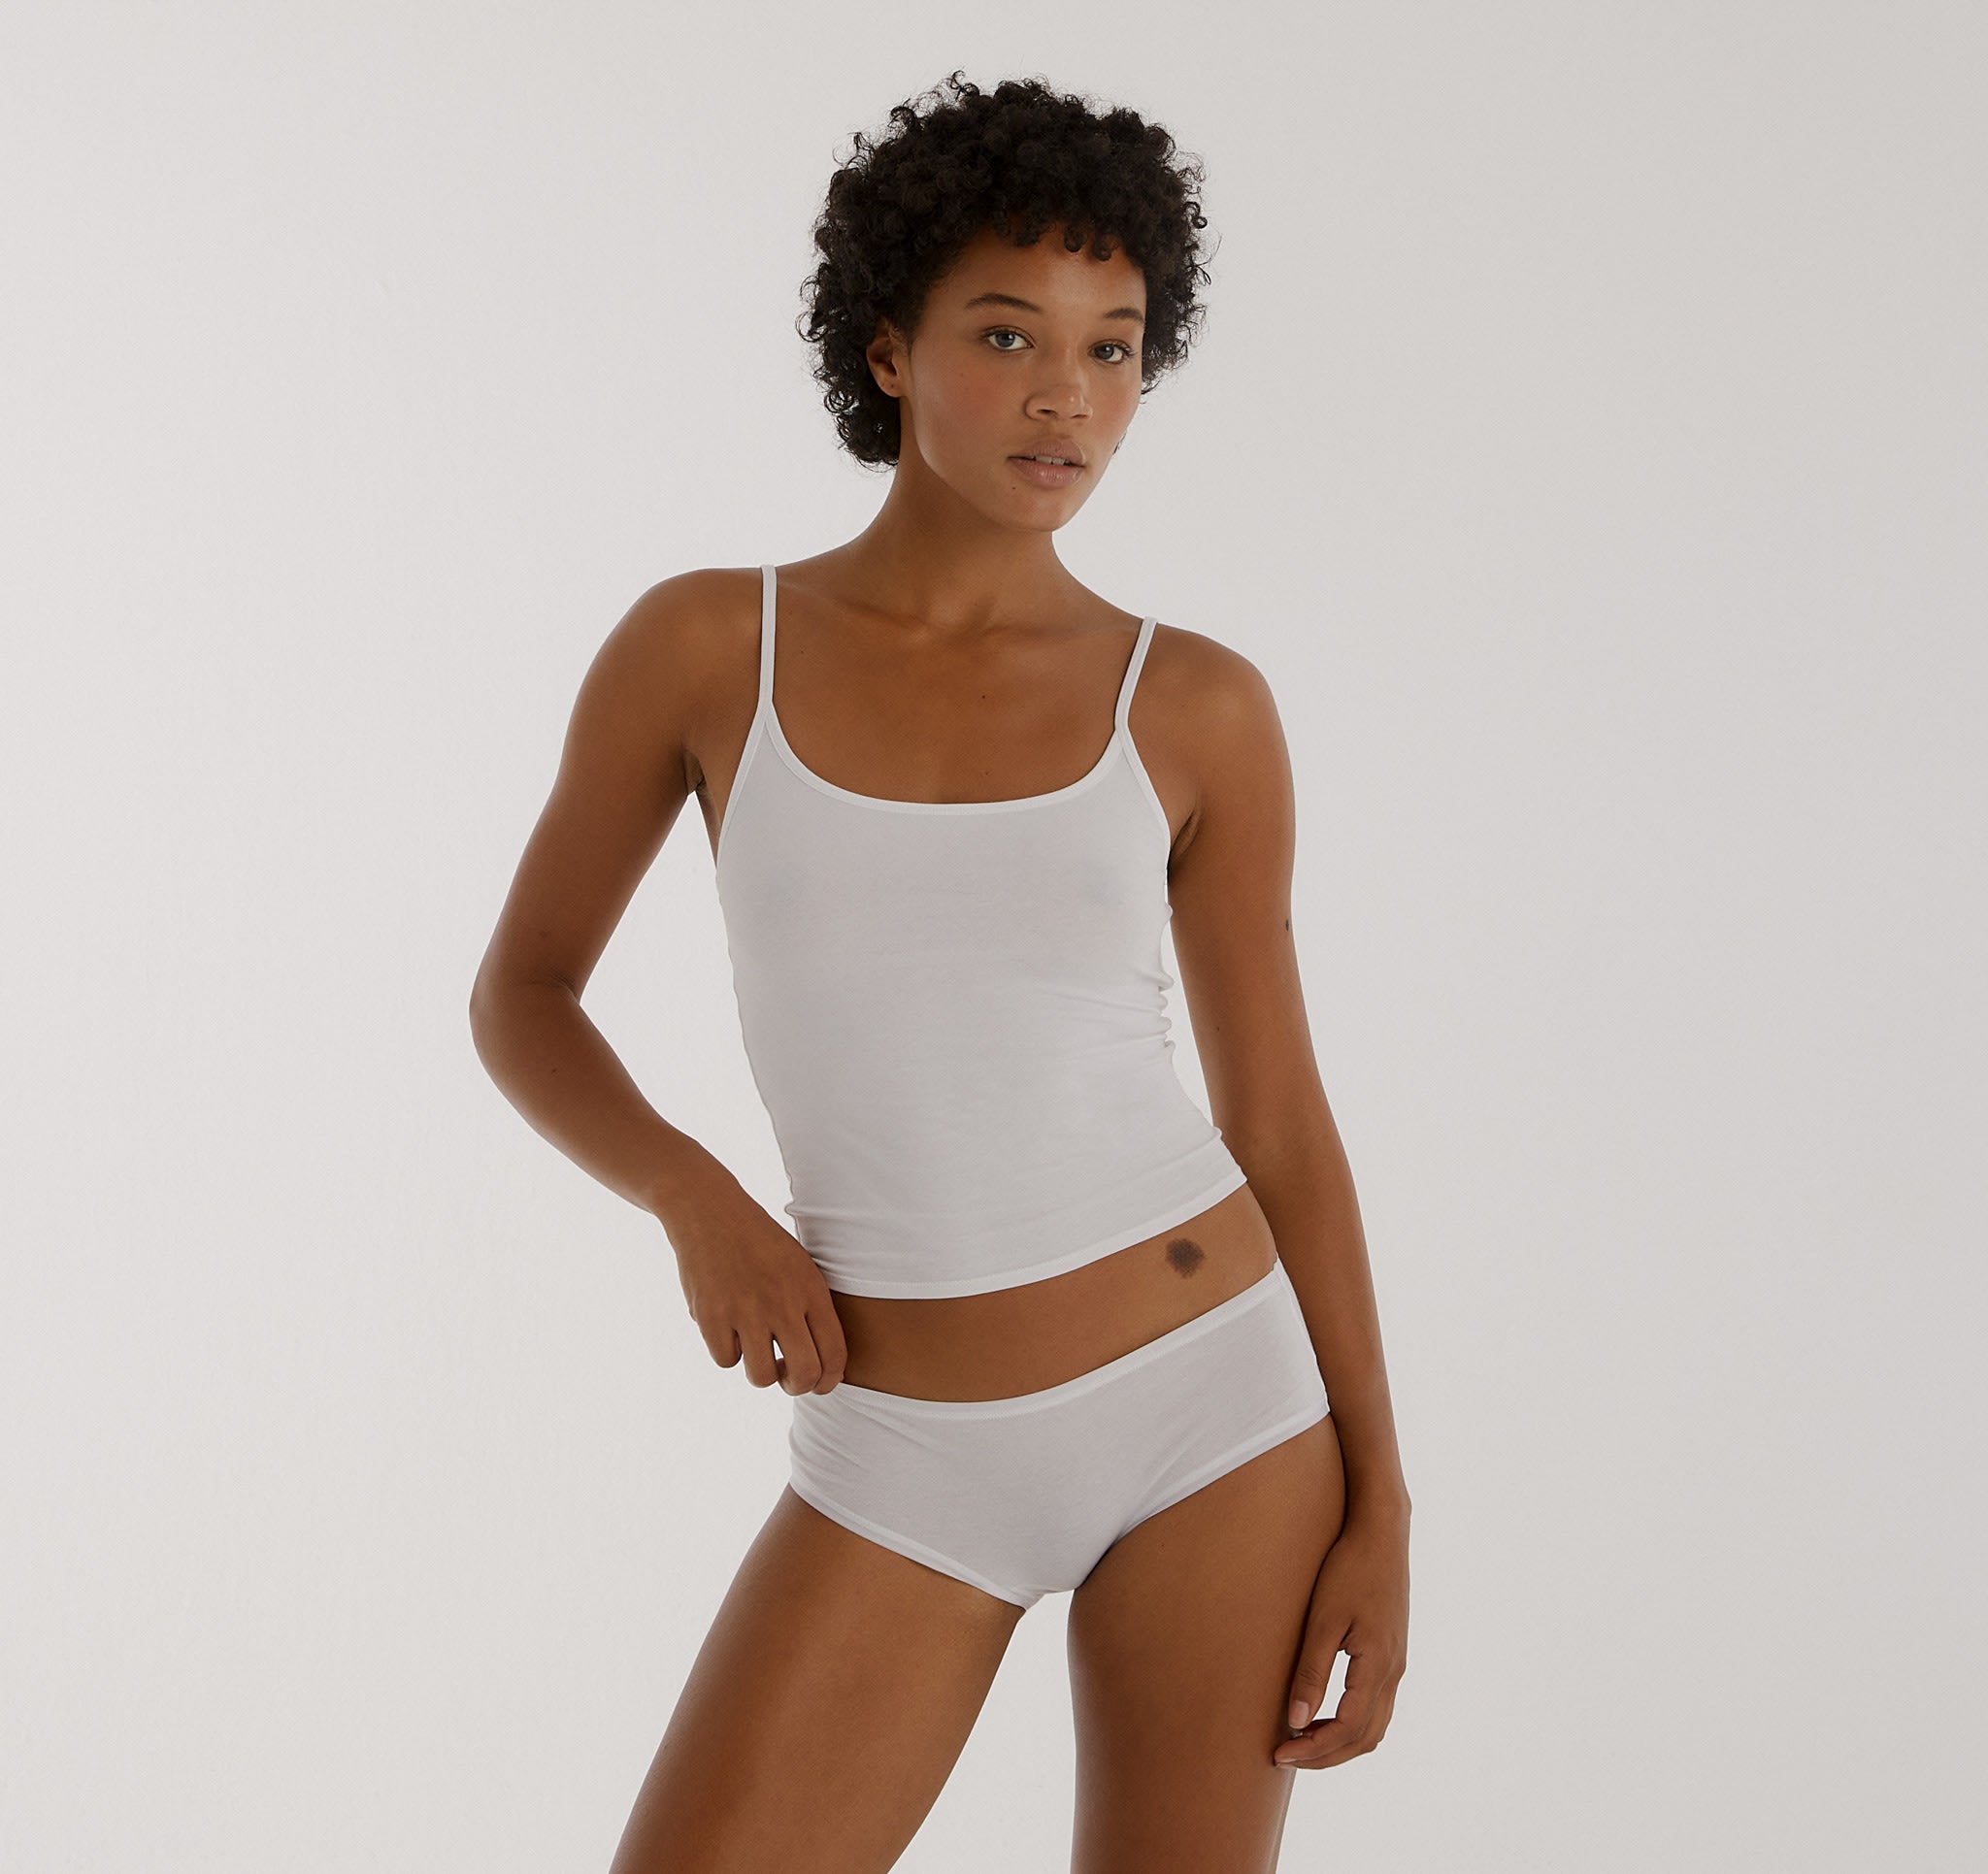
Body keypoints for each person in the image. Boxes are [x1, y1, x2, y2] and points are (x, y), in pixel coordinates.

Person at [469, 70, 1409, 1873]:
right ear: (888, 347)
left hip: (1215, 1408)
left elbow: (1280, 1121)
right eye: (1007, 334)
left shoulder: (1196, 704)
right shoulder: (706, 646)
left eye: (1114, 348)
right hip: (897, 1445)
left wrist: (1384, 1499)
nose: (1069, 394)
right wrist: (694, 1200)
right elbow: (523, 995)